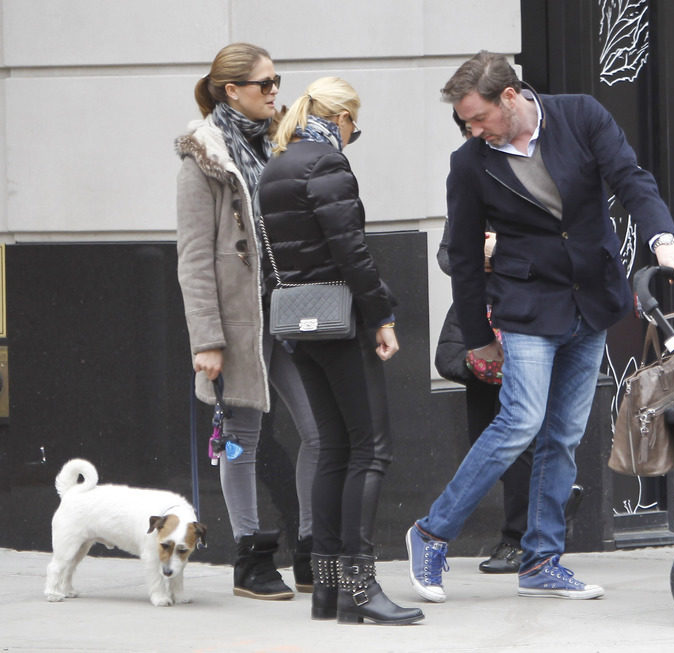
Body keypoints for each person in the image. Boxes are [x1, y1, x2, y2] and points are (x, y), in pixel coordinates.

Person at [407, 51, 674, 603]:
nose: (472, 129)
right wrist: (477, 337)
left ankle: (541, 559)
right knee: (520, 421)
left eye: (478, 117)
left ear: (510, 97)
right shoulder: (470, 162)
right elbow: (465, 257)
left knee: (562, 435)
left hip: (591, 301)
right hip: (525, 306)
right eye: (466, 122)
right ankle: (430, 532)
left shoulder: (581, 115)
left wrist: (663, 239)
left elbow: (631, 180)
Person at [257, 76, 423, 625]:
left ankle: (328, 590)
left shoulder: (276, 165)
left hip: (297, 323)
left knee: (331, 447)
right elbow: (351, 250)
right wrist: (381, 315)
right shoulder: (326, 165)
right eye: (356, 123)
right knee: (369, 449)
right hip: (340, 319)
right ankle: (360, 586)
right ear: (343, 116)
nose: (354, 134)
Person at [175, 42, 322, 601]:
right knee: (241, 437)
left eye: (276, 80)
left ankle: (309, 548)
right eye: (264, 84)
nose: (274, 92)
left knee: (317, 429)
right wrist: (207, 339)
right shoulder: (202, 158)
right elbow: (193, 258)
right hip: (239, 322)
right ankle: (250, 556)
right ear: (230, 90)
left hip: (291, 311)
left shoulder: (285, 144)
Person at [434, 110, 533, 574]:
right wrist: (478, 253)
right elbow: (449, 254)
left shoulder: (532, 171)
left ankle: (521, 538)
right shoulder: (467, 174)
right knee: (485, 436)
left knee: (526, 435)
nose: (476, 138)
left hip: (528, 324)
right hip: (481, 329)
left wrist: (504, 252)